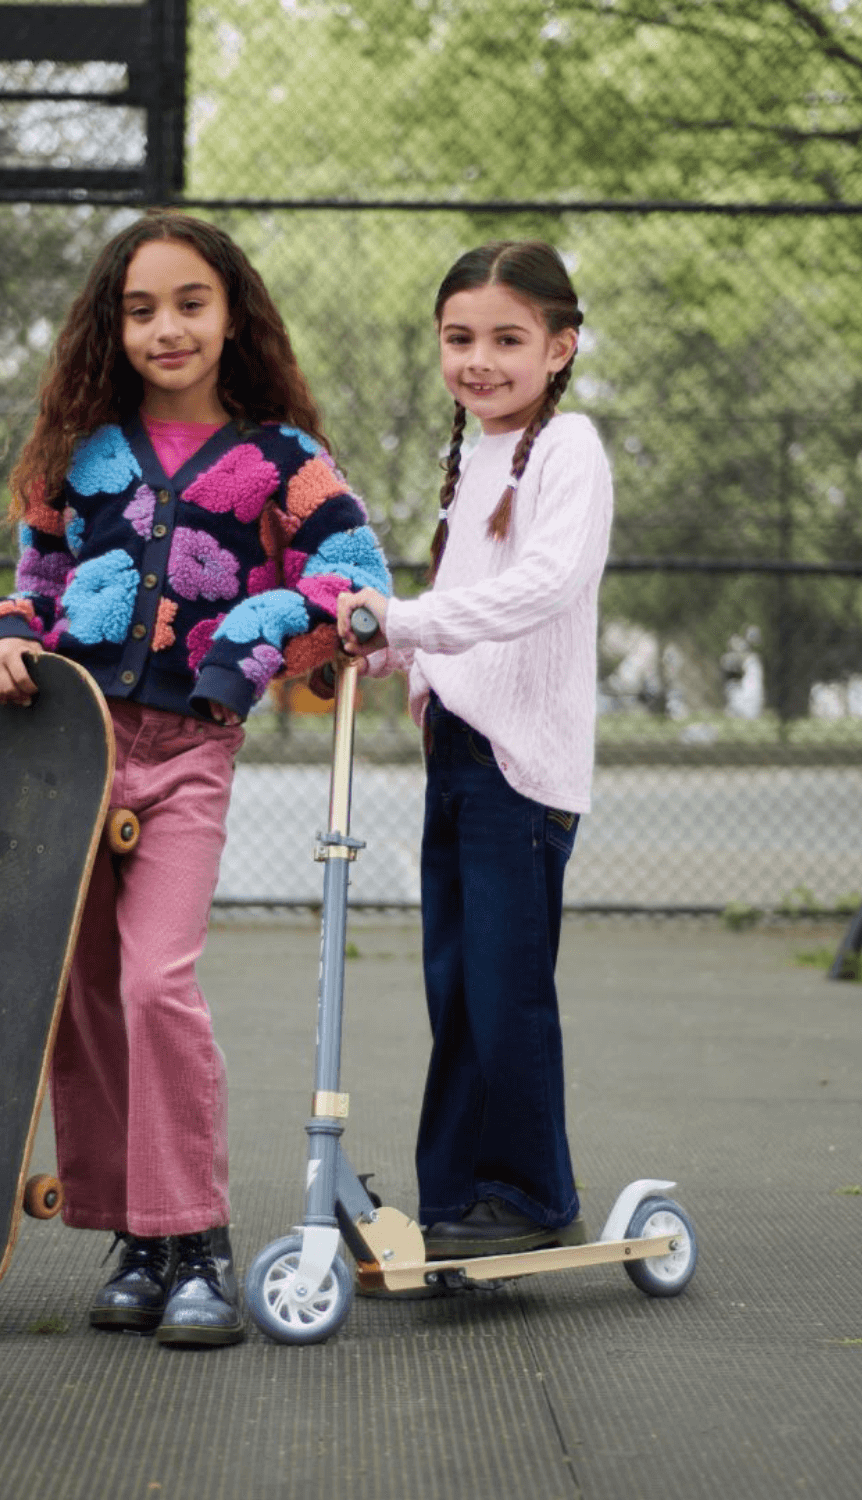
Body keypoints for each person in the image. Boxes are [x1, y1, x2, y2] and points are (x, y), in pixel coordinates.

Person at [0, 210, 391, 1344]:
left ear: (231, 315)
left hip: (187, 750)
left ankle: (196, 1233)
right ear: (112, 325)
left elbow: (350, 578)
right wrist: (2, 641)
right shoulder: (77, 456)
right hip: (70, 751)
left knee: (156, 983)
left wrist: (245, 643)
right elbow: (30, 586)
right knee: (86, 995)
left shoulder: (283, 460)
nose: (167, 327)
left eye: (190, 303)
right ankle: (134, 1236)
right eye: (141, 307)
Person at [335, 240, 613, 1261]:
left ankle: (536, 1197)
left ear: (560, 346)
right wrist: (399, 659)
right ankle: (457, 1198)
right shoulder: (469, 456)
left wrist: (405, 623)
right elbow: (456, 604)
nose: (480, 359)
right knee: (454, 984)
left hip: (519, 766)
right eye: (460, 338)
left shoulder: (569, 448)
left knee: (503, 986)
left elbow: (544, 584)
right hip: (456, 751)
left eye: (508, 338)